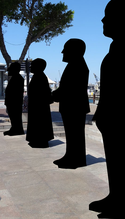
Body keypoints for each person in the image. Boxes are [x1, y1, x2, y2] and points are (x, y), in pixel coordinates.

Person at [89, 0, 125, 218]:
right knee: (116, 165)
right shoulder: (118, 47)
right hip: (114, 119)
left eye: (109, 15)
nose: (103, 19)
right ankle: (116, 197)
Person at [52, 38, 90, 169]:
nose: (63, 51)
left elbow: (69, 88)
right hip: (73, 106)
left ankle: (75, 159)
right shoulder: (75, 64)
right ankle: (71, 156)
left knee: (75, 134)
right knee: (72, 134)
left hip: (74, 106)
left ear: (74, 51)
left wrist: (53, 96)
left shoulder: (77, 66)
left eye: (66, 49)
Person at [26, 58, 54, 148]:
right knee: (37, 123)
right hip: (36, 105)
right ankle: (36, 139)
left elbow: (43, 93)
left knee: (39, 124)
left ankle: (40, 141)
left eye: (32, 65)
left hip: (39, 107)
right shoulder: (37, 76)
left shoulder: (40, 77)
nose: (30, 67)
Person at [4, 62, 24, 136]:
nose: (8, 72)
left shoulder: (18, 78)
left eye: (10, 70)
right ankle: (14, 128)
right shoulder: (15, 78)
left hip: (14, 102)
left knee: (15, 116)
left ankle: (17, 129)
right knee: (13, 117)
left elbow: (15, 92)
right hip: (12, 102)